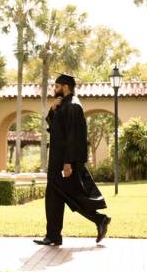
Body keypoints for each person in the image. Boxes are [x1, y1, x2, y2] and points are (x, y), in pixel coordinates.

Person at [34, 73, 111, 246]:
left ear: (65, 86)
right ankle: (53, 235)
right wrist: (53, 110)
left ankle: (100, 219)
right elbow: (53, 129)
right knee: (54, 197)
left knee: (70, 194)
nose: (54, 89)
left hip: (65, 161)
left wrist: (68, 162)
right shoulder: (63, 105)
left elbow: (73, 137)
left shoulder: (73, 106)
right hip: (57, 160)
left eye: (56, 86)